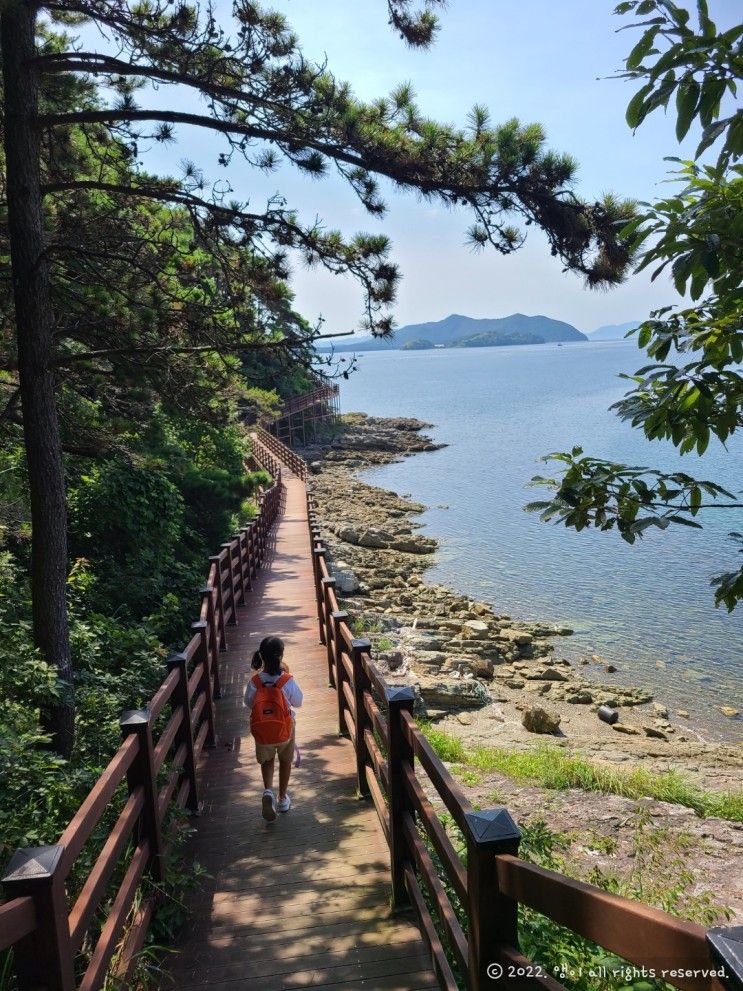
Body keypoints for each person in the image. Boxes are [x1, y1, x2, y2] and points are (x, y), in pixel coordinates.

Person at [244, 635, 303, 821]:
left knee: (267, 761)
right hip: (285, 730)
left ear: (261, 656)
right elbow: (298, 702)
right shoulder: (287, 680)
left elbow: (248, 703)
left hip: (262, 731)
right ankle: (282, 798)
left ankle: (268, 791)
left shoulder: (255, 682)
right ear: (281, 656)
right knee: (285, 761)